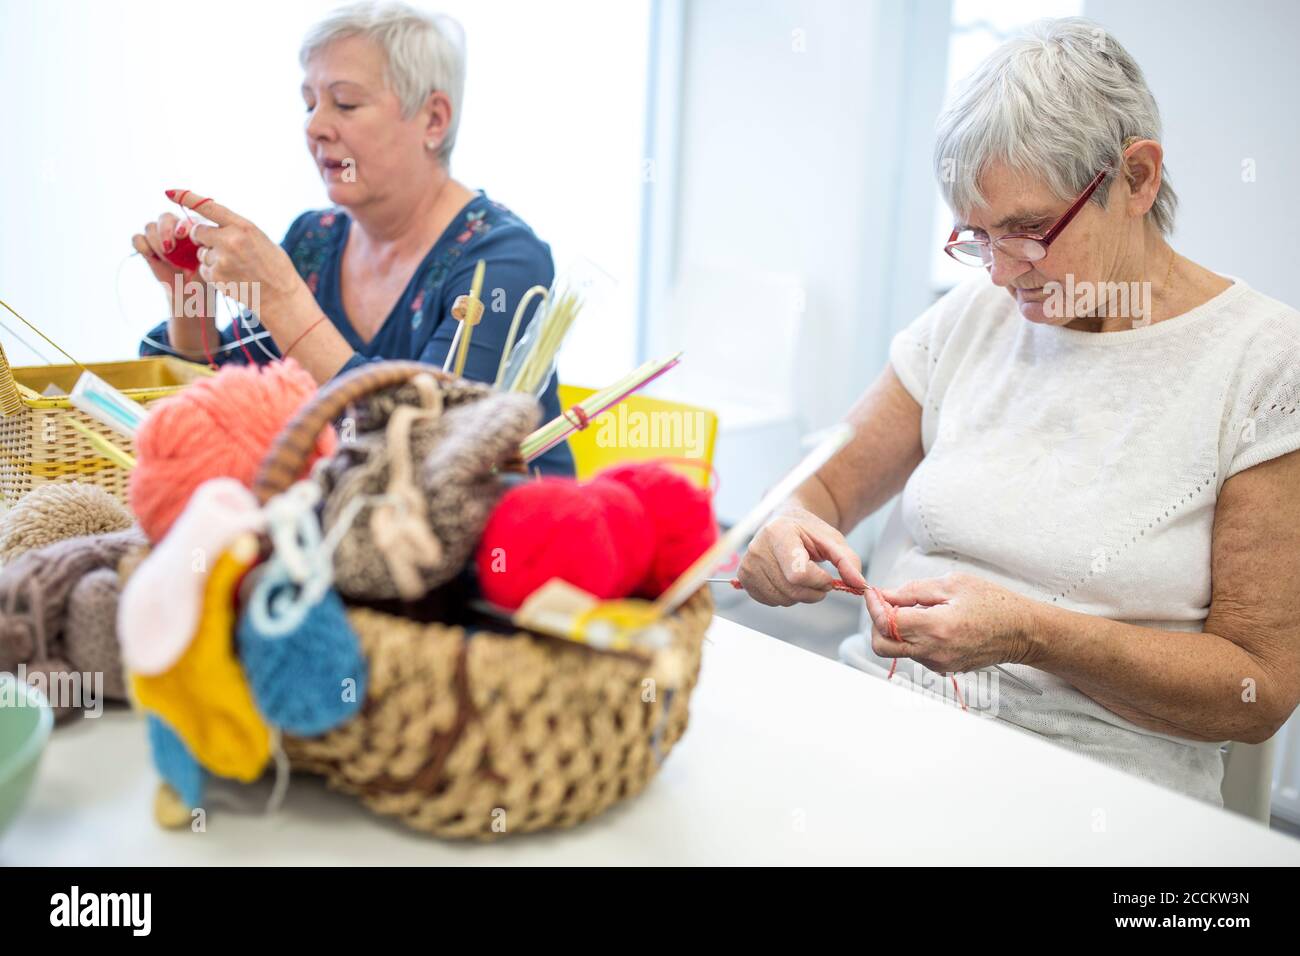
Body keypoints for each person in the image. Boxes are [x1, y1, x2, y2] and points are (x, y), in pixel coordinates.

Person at [738, 17, 1300, 804]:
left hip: (1091, 793)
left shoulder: (1264, 363)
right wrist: (785, 523)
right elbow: (820, 489)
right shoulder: (969, 321)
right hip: (883, 733)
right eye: (977, 237)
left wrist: (1032, 633)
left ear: (1135, 179)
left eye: (1029, 233)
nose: (1002, 274)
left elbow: (1258, 687)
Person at [131, 1, 575, 476]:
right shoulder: (313, 242)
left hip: (502, 536)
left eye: (345, 103)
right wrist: (190, 302)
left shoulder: (504, 261)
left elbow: (433, 443)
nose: (315, 126)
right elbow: (231, 405)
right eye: (309, 102)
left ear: (433, 120)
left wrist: (283, 300)